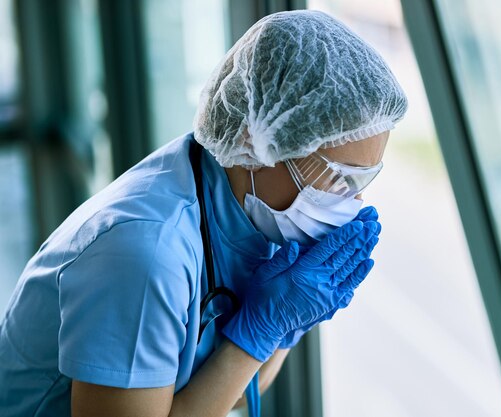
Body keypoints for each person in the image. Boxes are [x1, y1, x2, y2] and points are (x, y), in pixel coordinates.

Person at [0, 10, 407, 417]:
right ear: (258, 141)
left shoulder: (247, 208)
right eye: (338, 179)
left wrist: (283, 326)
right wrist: (263, 328)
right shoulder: (147, 254)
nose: (348, 205)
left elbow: (233, 390)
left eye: (361, 184)